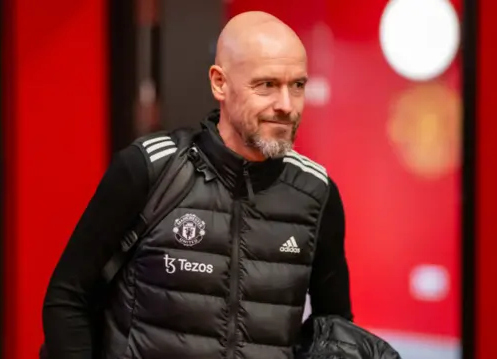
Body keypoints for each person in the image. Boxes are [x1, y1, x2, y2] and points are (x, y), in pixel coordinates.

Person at [42, 11, 352, 359]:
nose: (286, 105)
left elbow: (335, 330)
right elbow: (68, 296)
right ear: (220, 83)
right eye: (266, 85)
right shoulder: (151, 169)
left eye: (297, 86)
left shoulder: (316, 192)